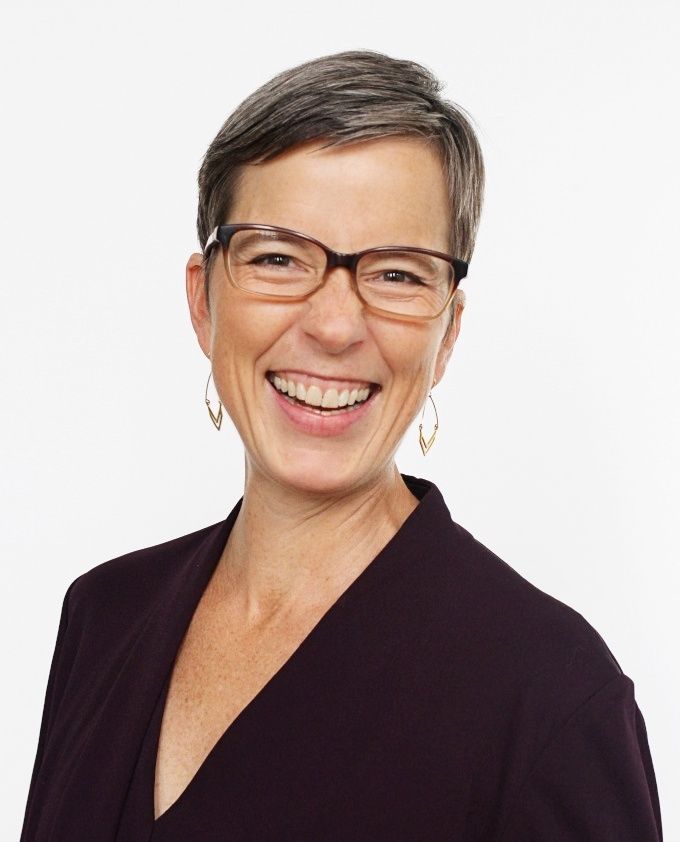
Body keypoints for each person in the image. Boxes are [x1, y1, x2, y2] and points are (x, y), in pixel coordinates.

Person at [20, 50, 662, 842]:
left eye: (397, 275)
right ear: (203, 301)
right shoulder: (104, 616)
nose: (333, 325)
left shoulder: (551, 697)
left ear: (447, 332)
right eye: (278, 258)